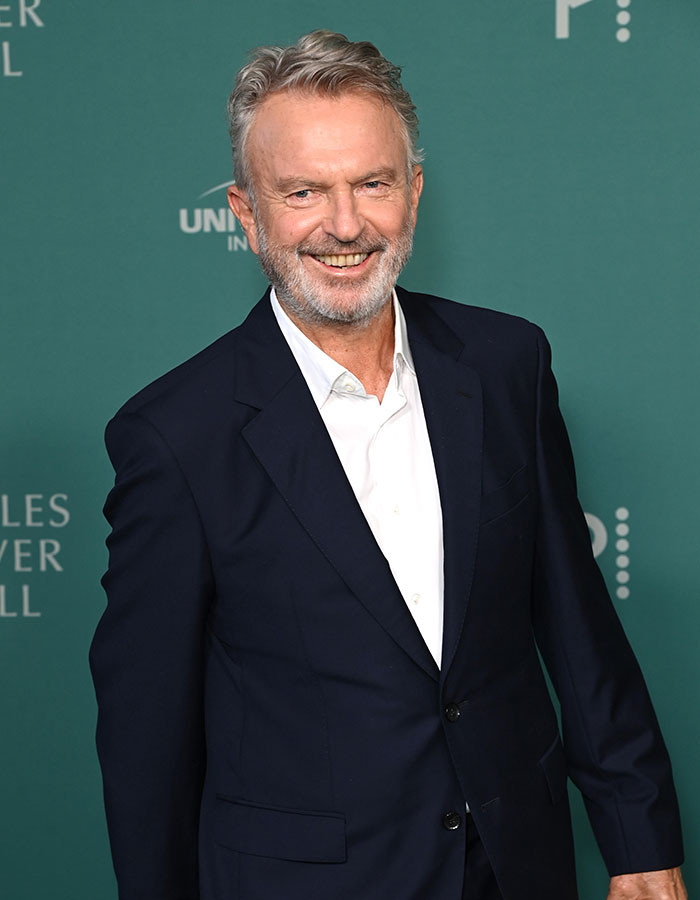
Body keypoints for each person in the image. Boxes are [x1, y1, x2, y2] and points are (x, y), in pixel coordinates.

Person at [90, 30, 686, 900]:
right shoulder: (177, 436)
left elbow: (576, 627)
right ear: (246, 214)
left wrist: (639, 842)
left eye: (371, 183)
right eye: (303, 191)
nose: (344, 225)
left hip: (516, 868)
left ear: (413, 191)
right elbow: (146, 737)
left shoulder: (506, 365)